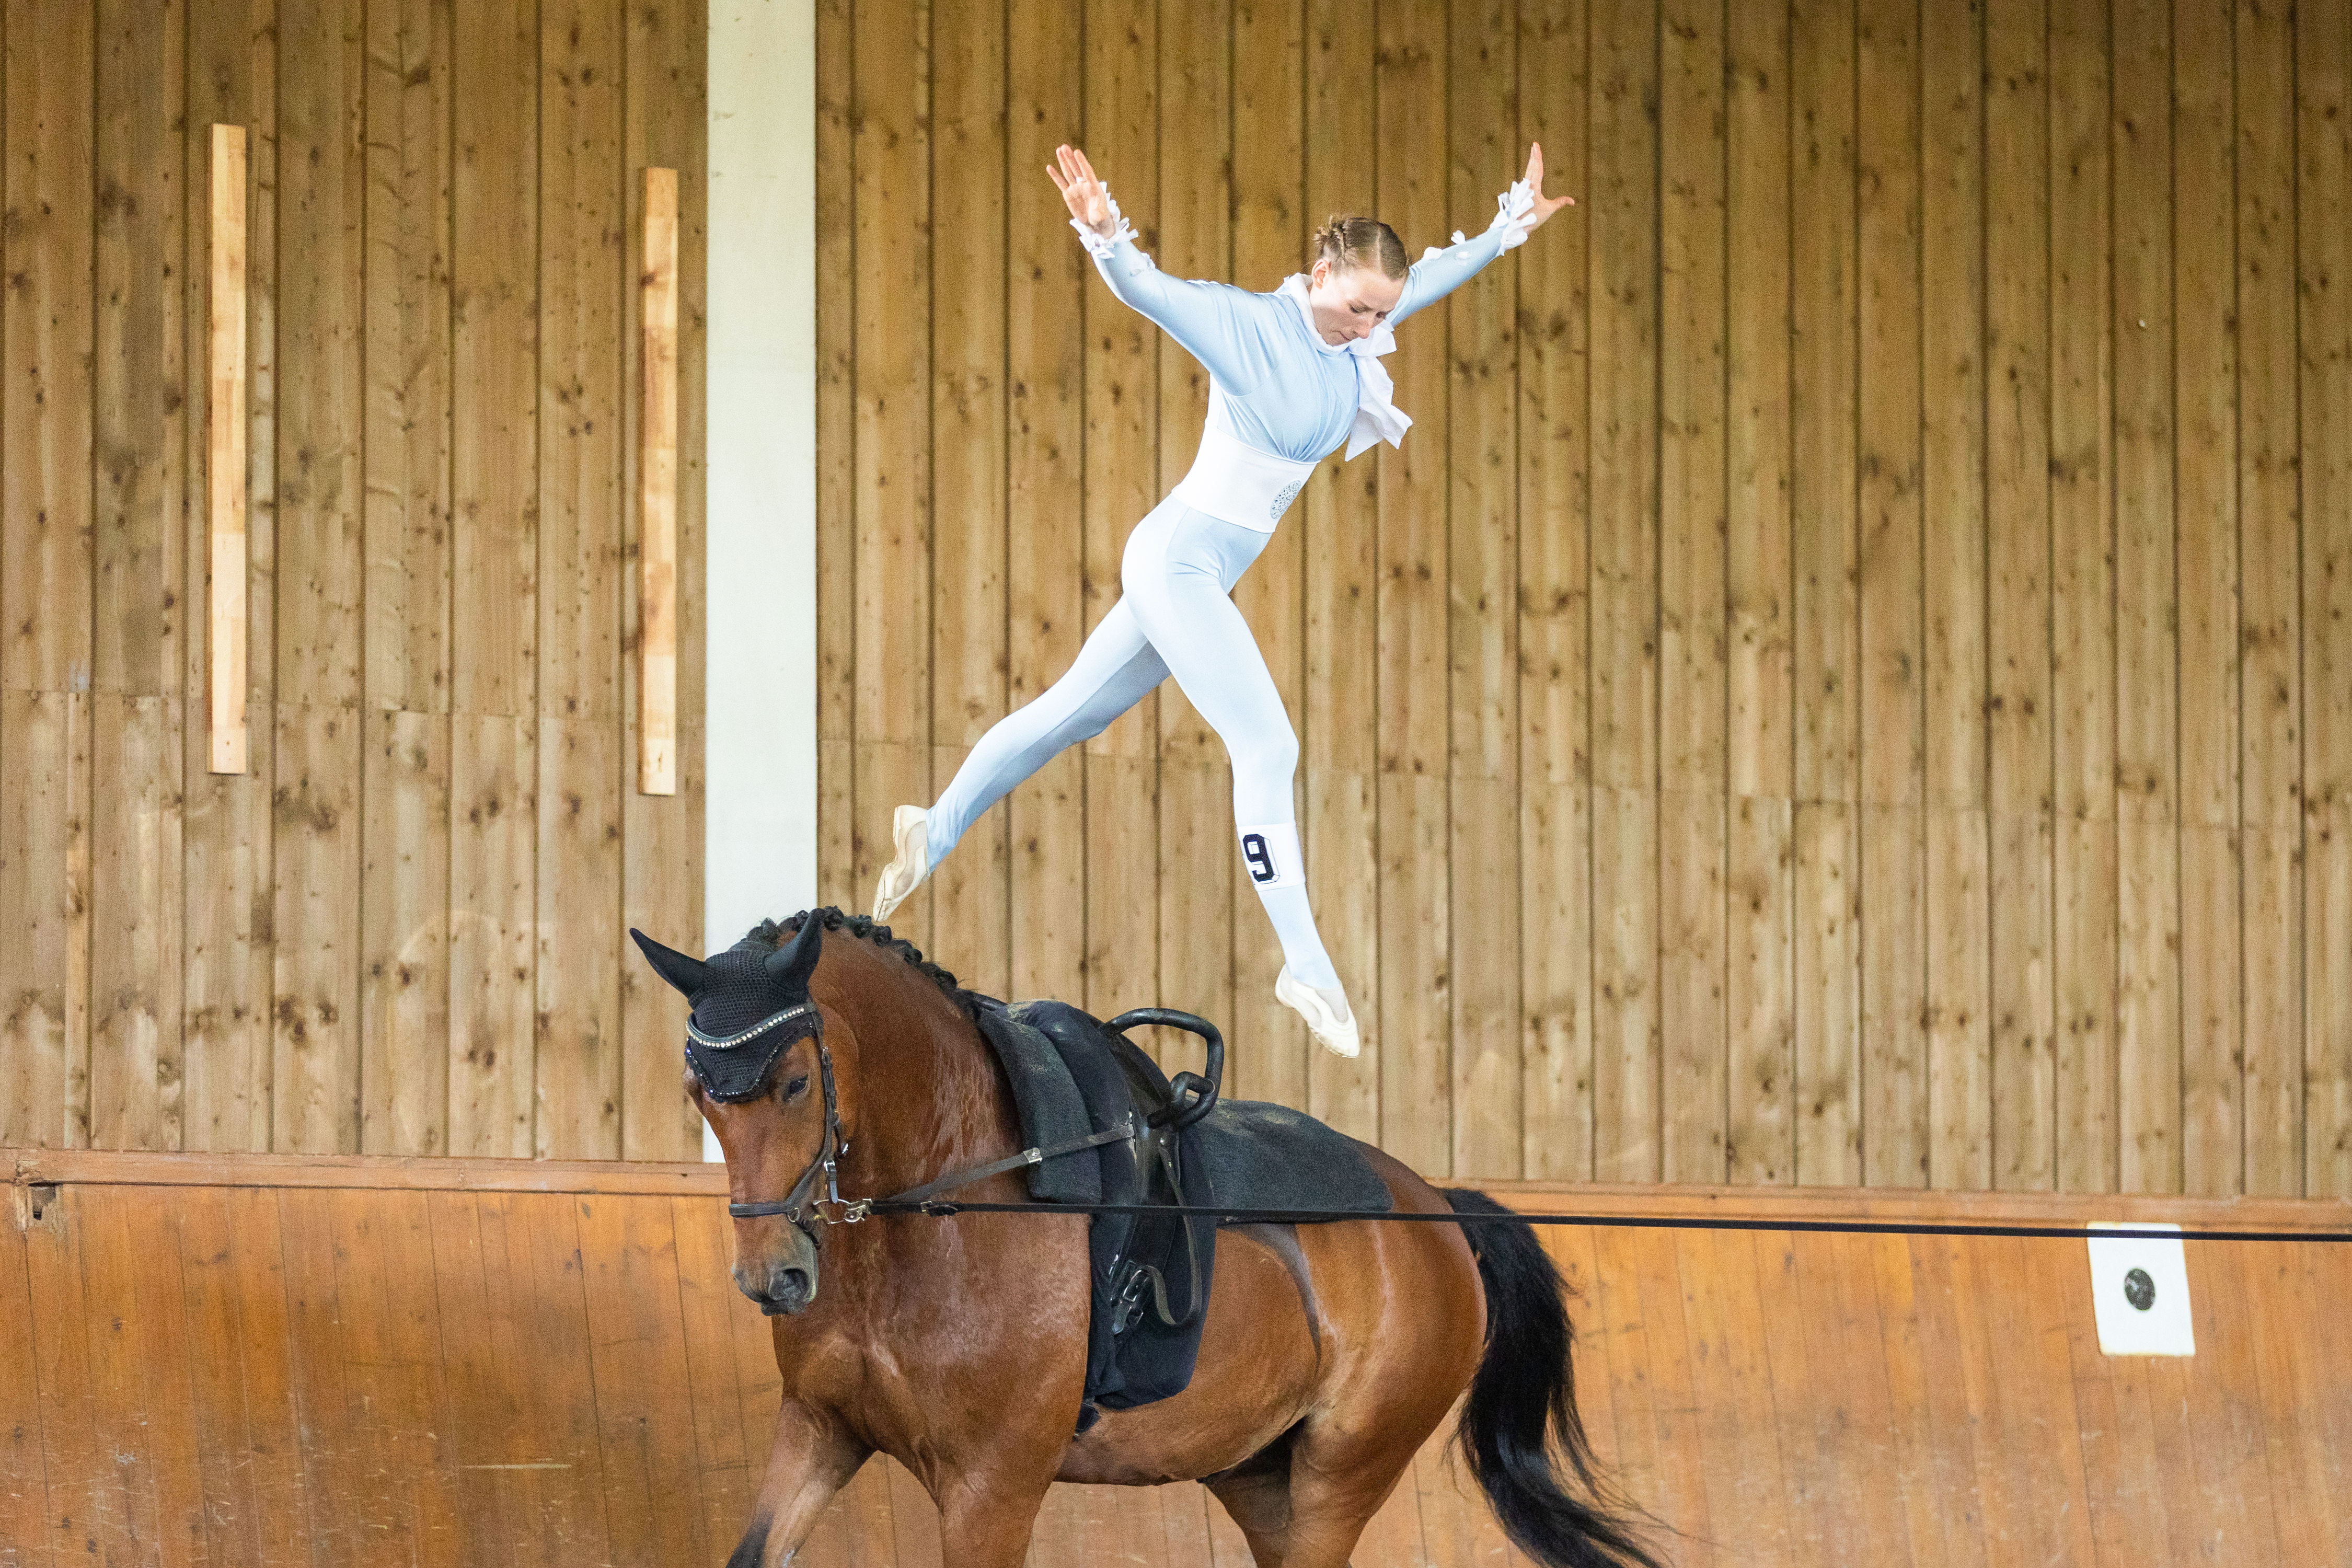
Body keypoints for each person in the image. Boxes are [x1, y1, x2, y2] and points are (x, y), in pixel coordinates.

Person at [873, 142, 1573, 1057]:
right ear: (1321, 275)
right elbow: (1148, 290)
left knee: (1065, 719)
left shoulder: (1356, 330)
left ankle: (934, 825)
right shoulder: (1248, 325)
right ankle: (1306, 961)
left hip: (1193, 569)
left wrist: (1507, 228)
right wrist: (1104, 232)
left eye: (1383, 313)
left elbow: (1434, 277)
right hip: (1177, 563)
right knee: (1268, 742)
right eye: (1359, 307)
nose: (1370, 328)